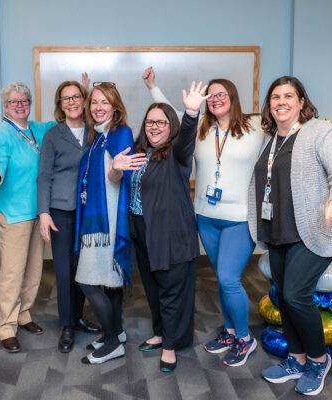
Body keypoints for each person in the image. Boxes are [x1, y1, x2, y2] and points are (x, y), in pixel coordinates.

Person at [142, 67, 332, 368]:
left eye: (221, 94)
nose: (216, 99)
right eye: (210, 96)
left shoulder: (255, 126)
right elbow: (173, 113)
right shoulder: (200, 127)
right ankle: (230, 333)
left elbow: (294, 123)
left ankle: (244, 338)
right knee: (222, 278)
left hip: (241, 217)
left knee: (229, 278)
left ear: (233, 97)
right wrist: (153, 87)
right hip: (206, 216)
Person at [249, 76, 332, 396]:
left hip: (313, 230)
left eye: (289, 96)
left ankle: (319, 361)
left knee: (296, 295)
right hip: (278, 230)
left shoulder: (320, 132)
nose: (281, 101)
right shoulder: (270, 139)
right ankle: (296, 358)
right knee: (284, 296)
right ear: (269, 104)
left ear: (301, 102)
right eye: (275, 97)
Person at [124, 82, 208, 372]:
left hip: (171, 233)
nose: (154, 127)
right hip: (142, 231)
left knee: (171, 292)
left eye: (161, 122)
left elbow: (186, 139)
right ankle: (160, 333)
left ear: (171, 126)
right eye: (150, 122)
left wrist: (191, 113)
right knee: (152, 287)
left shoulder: (176, 153)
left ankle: (170, 347)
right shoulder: (140, 151)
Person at [0, 82, 55, 353]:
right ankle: (6, 327)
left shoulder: (37, 129)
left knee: (33, 272)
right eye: (14, 102)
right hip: (11, 215)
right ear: (6, 106)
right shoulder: (2, 134)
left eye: (24, 101)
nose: (20, 105)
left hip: (36, 212)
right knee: (12, 275)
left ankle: (23, 314)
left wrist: (82, 94)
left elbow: (65, 121)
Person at [75, 82, 146, 365]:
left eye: (105, 102)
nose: (98, 107)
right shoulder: (98, 136)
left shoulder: (120, 133)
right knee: (110, 283)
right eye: (94, 102)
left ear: (115, 107)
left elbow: (119, 175)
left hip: (107, 223)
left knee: (87, 282)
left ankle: (114, 343)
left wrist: (116, 170)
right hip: (97, 220)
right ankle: (115, 332)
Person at [37, 77, 101, 354]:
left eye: (77, 97)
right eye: (66, 98)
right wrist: (43, 213)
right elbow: (44, 177)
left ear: (84, 101)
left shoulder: (95, 131)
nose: (72, 102)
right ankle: (67, 325)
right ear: (60, 105)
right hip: (61, 213)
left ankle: (77, 316)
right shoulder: (53, 135)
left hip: (89, 212)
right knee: (64, 272)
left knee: (83, 270)